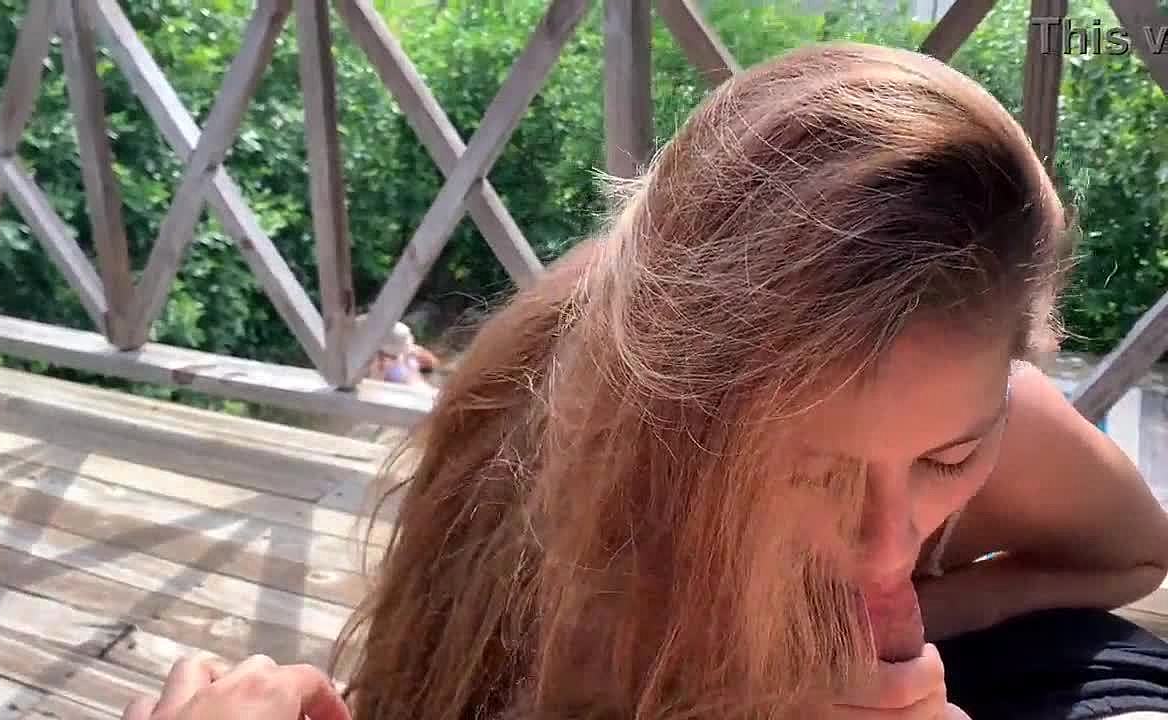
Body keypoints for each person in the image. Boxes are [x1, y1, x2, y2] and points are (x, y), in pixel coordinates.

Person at [124, 41, 1168, 720]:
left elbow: (1134, 555)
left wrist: (934, 616)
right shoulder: (550, 499)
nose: (886, 543)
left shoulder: (939, 371)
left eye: (949, 460)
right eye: (814, 470)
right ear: (680, 402)